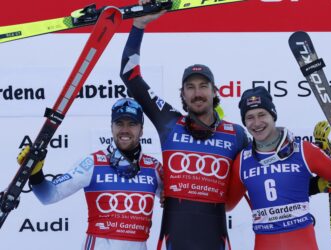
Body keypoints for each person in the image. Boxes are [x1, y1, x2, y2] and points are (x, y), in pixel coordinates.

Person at [119, 6, 249, 250]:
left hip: (215, 239)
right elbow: (130, 76)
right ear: (182, 93)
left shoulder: (236, 134)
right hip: (175, 238)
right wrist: (138, 27)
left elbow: (265, 173)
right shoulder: (169, 122)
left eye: (203, 86)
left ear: (215, 92)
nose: (197, 93)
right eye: (190, 87)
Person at [226, 86, 331, 250]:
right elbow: (227, 205)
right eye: (250, 117)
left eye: (262, 114)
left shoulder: (303, 150)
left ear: (273, 115)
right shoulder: (242, 160)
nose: (256, 123)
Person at [18, 98, 163, 250]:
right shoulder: (93, 163)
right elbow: (48, 195)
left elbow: (179, 197)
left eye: (132, 124)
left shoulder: (153, 167)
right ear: (112, 127)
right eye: (119, 123)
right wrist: (35, 173)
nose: (125, 130)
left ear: (141, 130)